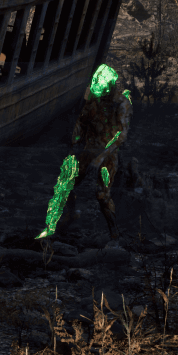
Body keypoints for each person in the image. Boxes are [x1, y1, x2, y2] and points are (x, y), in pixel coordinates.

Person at [37, 63, 132, 240]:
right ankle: (71, 215)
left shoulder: (122, 104)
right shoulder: (95, 100)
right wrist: (74, 144)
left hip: (108, 155)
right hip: (88, 151)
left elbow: (121, 135)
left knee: (102, 195)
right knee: (66, 182)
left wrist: (100, 158)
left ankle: (114, 234)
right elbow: (82, 121)